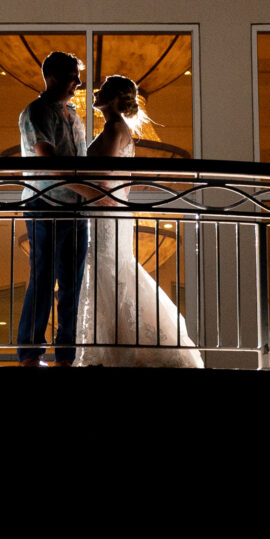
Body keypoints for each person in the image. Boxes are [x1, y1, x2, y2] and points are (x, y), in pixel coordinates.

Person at [78, 72, 205, 368]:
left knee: (107, 268)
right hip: (109, 213)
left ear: (111, 99)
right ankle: (114, 341)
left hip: (107, 213)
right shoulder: (118, 129)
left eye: (102, 91)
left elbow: (102, 181)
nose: (95, 94)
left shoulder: (113, 130)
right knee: (111, 269)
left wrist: (65, 180)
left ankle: (115, 346)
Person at [14, 50, 90, 365]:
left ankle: (65, 357)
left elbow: (81, 164)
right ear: (54, 77)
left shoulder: (74, 115)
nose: (79, 83)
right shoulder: (35, 112)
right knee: (43, 277)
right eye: (74, 76)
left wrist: (88, 194)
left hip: (76, 208)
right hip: (44, 203)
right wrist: (91, 193)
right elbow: (50, 163)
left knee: (72, 283)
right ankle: (30, 354)